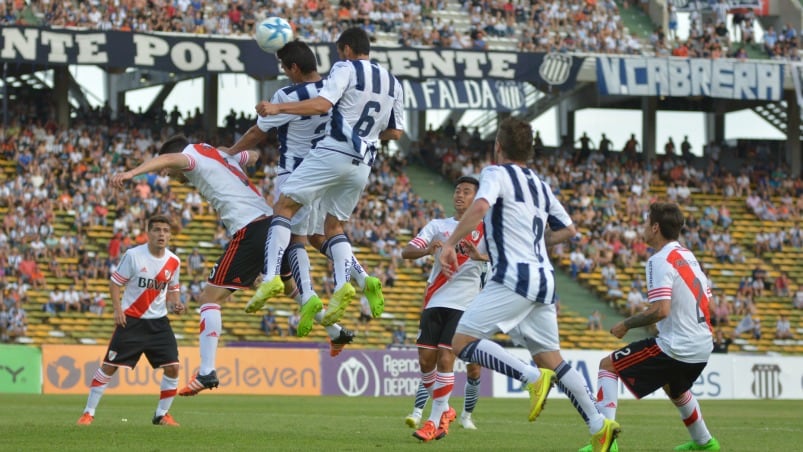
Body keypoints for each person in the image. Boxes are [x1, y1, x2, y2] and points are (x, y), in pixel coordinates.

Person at [111, 135, 354, 395]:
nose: (169, 175)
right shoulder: (218, 154)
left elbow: (171, 158)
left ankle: (206, 372)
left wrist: (131, 173)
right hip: (273, 226)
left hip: (250, 229)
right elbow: (255, 155)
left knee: (209, 297)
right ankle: (336, 331)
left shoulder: (191, 157)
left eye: (168, 173)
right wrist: (231, 152)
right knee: (290, 287)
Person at [439, 117, 619, 452]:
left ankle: (531, 378)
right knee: (553, 358)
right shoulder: (540, 183)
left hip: (513, 277)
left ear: (498, 146)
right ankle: (599, 426)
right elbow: (569, 230)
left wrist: (450, 242)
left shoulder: (495, 173)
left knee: (460, 342)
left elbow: (480, 205)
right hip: (544, 280)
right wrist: (529, 242)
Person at [249, 27, 404, 331]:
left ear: (346, 49)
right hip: (364, 163)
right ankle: (350, 282)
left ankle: (270, 280)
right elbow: (395, 133)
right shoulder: (393, 82)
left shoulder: (345, 68)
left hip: (332, 152)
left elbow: (322, 104)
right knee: (332, 228)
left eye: (338, 51)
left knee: (283, 209)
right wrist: (367, 134)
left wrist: (278, 107)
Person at [230, 40, 359, 356]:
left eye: (286, 69)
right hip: (331, 171)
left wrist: (231, 153)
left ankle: (305, 290)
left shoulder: (286, 96)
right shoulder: (334, 88)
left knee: (292, 235)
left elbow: (258, 132)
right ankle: (348, 303)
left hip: (296, 173)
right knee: (317, 237)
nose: (285, 75)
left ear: (294, 69)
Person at [587, 202, 719, 452]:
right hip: (702, 345)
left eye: (647, 223)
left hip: (677, 347)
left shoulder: (659, 260)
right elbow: (705, 299)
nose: (644, 228)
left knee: (608, 366)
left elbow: (661, 310)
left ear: (656, 228)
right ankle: (705, 443)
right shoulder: (688, 257)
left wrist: (626, 324)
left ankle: (604, 444)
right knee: (676, 389)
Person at [77, 215, 186, 426]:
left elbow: (172, 289)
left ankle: (161, 414)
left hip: (158, 323)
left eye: (165, 230)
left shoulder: (174, 261)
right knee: (109, 366)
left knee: (173, 367)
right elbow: (115, 283)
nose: (161, 234)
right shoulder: (134, 255)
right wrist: (118, 310)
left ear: (170, 235)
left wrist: (176, 304)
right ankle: (88, 412)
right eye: (157, 230)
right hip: (132, 321)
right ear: (148, 233)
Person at [401, 176, 488, 440]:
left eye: (467, 191)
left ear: (477, 199)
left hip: (465, 302)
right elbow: (406, 251)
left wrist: (479, 256)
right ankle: (447, 409)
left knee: (445, 357)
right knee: (426, 362)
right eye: (458, 190)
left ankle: (433, 421)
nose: (460, 195)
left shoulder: (487, 230)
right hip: (435, 298)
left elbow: (504, 259)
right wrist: (427, 250)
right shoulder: (438, 225)